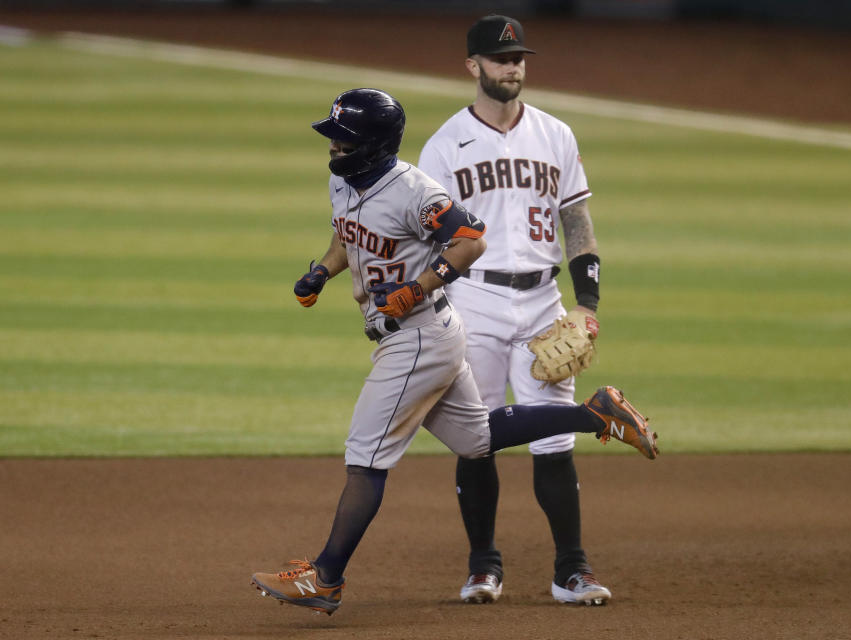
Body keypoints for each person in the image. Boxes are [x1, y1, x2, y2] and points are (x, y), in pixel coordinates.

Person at [250, 87, 658, 615]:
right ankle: (594, 414)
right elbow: (345, 236)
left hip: (418, 338)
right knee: (479, 439)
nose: (332, 149)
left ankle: (325, 577)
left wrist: (415, 288)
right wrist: (322, 273)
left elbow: (470, 239)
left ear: (373, 145)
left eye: (343, 141)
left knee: (365, 457)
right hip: (428, 336)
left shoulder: (414, 191)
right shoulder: (342, 181)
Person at [418, 15, 658, 607]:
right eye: (500, 60)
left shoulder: (555, 135)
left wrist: (588, 304)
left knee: (554, 438)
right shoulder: (445, 144)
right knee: (476, 439)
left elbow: (576, 221)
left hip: (544, 300)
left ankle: (571, 571)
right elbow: (428, 235)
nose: (513, 68)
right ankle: (483, 567)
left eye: (519, 58)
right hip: (473, 298)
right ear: (473, 66)